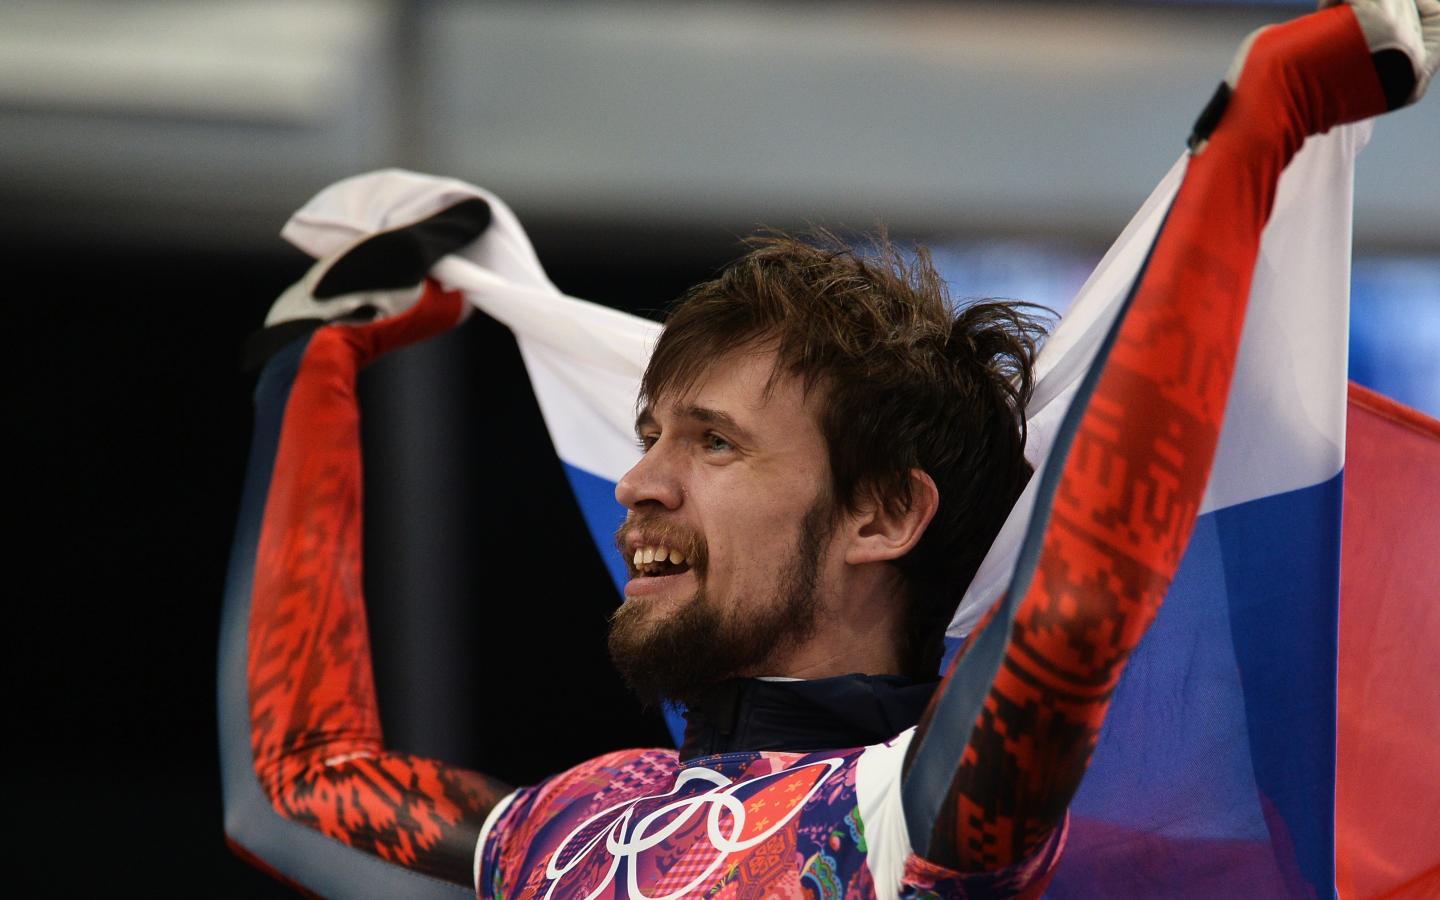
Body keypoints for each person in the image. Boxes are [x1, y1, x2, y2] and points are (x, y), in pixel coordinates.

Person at [217, 2, 1438, 897]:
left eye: (714, 443)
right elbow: (294, 790)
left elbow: (1075, 609)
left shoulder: (908, 817)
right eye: (649, 434)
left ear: (881, 516)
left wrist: (1252, 139)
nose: (640, 480)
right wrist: (313, 369)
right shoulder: (571, 820)